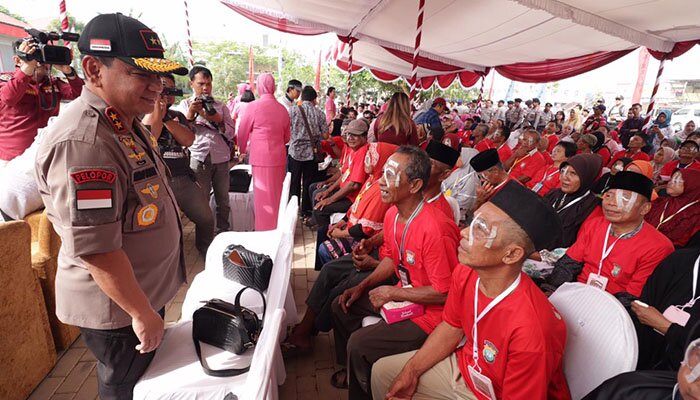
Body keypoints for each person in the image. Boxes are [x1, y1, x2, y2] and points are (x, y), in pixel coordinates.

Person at [33, 13, 188, 399]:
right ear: (93, 69)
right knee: (124, 387)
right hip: (119, 310)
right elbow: (97, 247)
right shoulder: (84, 143)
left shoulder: (121, 121)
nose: (158, 87)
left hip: (138, 298)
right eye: (142, 74)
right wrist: (140, 312)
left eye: (160, 77)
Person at [372, 181, 569, 400]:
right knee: (383, 373)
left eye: (481, 229)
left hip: (498, 394)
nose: (464, 232)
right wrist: (411, 371)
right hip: (467, 367)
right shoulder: (466, 272)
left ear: (512, 255)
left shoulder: (532, 331)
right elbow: (451, 327)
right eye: (472, 222)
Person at [329, 146, 460, 398]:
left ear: (414, 185)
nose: (381, 182)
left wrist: (390, 293)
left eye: (391, 175)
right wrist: (363, 286)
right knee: (341, 305)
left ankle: (364, 390)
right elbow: (391, 258)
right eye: (383, 174)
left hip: (432, 317)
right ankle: (351, 371)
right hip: (404, 296)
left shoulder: (436, 229)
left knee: (359, 344)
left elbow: (445, 294)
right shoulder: (392, 215)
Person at [283, 142, 398, 356]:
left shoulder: (394, 196)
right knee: (329, 271)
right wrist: (353, 230)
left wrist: (373, 257)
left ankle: (308, 330)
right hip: (374, 251)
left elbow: (374, 231)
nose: (366, 161)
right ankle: (306, 328)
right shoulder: (377, 182)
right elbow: (383, 228)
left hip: (381, 260)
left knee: (340, 291)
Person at [542, 171, 675, 301]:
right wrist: (553, 291)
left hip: (611, 307)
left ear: (644, 209)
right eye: (609, 195)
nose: (611, 203)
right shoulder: (594, 225)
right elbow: (569, 264)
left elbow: (632, 298)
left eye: (624, 198)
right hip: (576, 293)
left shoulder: (659, 246)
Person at [142, 74, 213, 254]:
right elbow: (152, 138)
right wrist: (158, 110)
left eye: (170, 89)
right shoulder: (142, 114)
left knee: (205, 218)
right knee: (166, 226)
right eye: (163, 88)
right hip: (158, 181)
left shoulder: (178, 116)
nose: (167, 93)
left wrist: (166, 118)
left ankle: (205, 252)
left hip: (183, 178)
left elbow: (188, 140)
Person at [0, 39, 83, 165]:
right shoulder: (5, 81)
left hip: (47, 155)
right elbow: (8, 98)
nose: (40, 62)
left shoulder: (53, 82)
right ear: (17, 60)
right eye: (34, 55)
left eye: (42, 56)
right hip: (13, 159)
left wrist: (68, 71)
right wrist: (28, 68)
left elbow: (81, 95)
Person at [177, 65, 234, 233]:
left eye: (208, 84)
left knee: (223, 201)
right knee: (201, 203)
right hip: (199, 158)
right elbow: (180, 133)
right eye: (201, 83)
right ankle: (205, 240)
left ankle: (223, 232)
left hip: (221, 158)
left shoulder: (220, 106)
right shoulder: (185, 105)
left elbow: (231, 132)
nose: (205, 88)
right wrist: (192, 113)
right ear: (191, 84)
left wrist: (219, 121)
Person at [237, 73, 291, 231]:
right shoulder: (282, 109)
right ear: (273, 87)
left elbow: (242, 132)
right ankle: (277, 229)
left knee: (263, 199)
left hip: (260, 159)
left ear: (259, 87)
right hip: (279, 158)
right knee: (277, 196)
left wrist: (241, 150)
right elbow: (287, 137)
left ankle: (263, 230)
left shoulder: (253, 106)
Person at [631, 248, 700, 371]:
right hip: (639, 352)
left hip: (682, 375)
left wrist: (665, 327)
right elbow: (643, 307)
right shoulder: (680, 260)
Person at [313, 119, 369, 230]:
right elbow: (344, 174)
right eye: (349, 135)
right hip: (347, 194)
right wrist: (328, 190)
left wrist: (330, 199)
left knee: (320, 209)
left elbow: (354, 185)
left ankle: (329, 239)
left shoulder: (363, 152)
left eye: (355, 135)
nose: (350, 138)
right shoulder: (354, 150)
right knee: (318, 196)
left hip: (354, 199)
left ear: (364, 137)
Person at [544, 154, 603, 248]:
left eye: (573, 173)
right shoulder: (553, 194)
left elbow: (580, 247)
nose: (564, 177)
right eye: (563, 171)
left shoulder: (592, 208)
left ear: (587, 177)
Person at [288, 85, 327, 217]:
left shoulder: (292, 111)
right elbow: (326, 135)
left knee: (294, 182)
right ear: (314, 99)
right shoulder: (320, 114)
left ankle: (293, 211)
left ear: (302, 97)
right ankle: (305, 210)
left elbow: (286, 130)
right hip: (312, 153)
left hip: (295, 152)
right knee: (308, 182)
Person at [645, 169, 700, 248]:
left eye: (677, 181)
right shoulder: (660, 202)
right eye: (671, 179)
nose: (670, 183)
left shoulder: (695, 214)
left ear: (692, 185)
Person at [424, 140, 462, 223]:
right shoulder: (408, 195)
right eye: (421, 161)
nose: (420, 167)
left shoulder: (441, 215)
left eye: (430, 164)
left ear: (444, 175)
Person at [469, 149, 515, 214]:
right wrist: (479, 201)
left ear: (495, 171)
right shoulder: (489, 187)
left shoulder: (513, 191)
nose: (482, 180)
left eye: (482, 176)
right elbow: (475, 215)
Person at [443, 148, 479, 222]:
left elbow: (464, 202)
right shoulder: (458, 171)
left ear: (468, 158)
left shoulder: (471, 179)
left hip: (455, 213)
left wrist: (447, 204)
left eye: (460, 156)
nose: (457, 158)